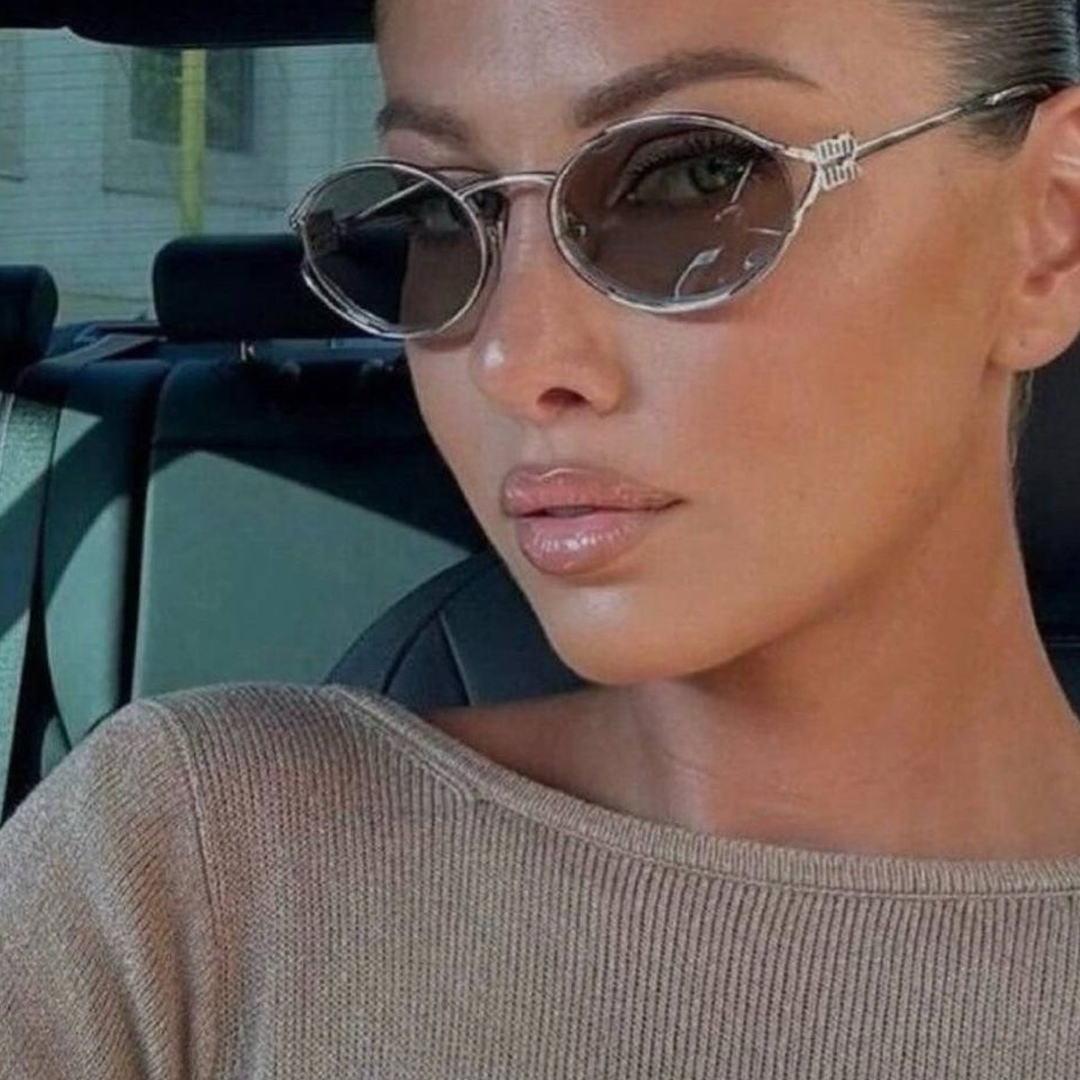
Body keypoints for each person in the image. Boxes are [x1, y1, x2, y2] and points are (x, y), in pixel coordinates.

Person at [5, 0, 1080, 1074]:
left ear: (1048, 230)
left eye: (695, 177)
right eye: (442, 212)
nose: (509, 359)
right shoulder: (189, 862)